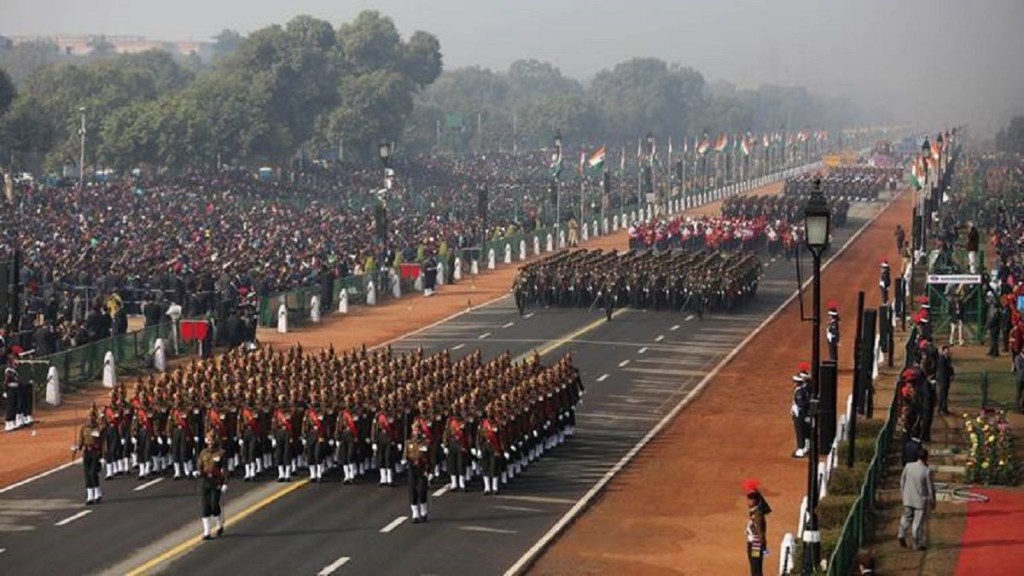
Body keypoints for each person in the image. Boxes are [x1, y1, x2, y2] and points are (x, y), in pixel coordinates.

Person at [898, 447, 935, 551]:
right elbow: (930, 488)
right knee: (917, 523)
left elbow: (902, 481)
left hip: (907, 498)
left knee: (906, 517)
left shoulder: (908, 466)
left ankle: (901, 533)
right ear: (926, 458)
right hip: (920, 500)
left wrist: (903, 494)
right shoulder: (926, 471)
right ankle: (916, 543)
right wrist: (932, 500)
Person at [198, 430, 227, 540]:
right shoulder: (203, 453)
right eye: (208, 440)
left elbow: (224, 469)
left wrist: (224, 483)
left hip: (216, 481)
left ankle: (219, 525)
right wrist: (198, 472)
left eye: (212, 440)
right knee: (205, 506)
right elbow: (200, 464)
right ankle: (207, 531)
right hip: (205, 481)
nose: (210, 442)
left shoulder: (221, 453)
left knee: (214, 504)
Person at [74, 404, 104, 505]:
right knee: (87, 474)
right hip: (87, 452)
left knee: (93, 472)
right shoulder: (84, 428)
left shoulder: (98, 428)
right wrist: (78, 447)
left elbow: (102, 442)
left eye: (92, 416)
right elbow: (81, 440)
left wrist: (103, 456)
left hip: (95, 452)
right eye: (89, 416)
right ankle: (90, 495)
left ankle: (97, 492)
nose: (90, 418)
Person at [743, 478, 770, 576]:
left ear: (755, 500)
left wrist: (763, 547)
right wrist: (755, 490)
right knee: (755, 566)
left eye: (750, 499)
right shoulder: (756, 508)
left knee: (755, 566)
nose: (748, 501)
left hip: (755, 543)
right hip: (755, 543)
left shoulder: (757, 514)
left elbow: (760, 533)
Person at [790, 363, 811, 458]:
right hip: (803, 415)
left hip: (800, 416)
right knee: (805, 432)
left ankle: (801, 449)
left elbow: (800, 405)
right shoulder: (803, 389)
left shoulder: (799, 391)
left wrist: (803, 415)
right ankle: (805, 448)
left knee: (800, 432)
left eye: (795, 382)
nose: (793, 384)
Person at [936, 345, 955, 415]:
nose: (948, 352)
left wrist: (952, 375)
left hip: (946, 379)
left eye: (948, 350)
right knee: (943, 395)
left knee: (944, 395)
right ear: (943, 351)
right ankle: (942, 409)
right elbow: (943, 371)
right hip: (942, 379)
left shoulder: (948, 359)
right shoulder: (941, 360)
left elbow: (950, 368)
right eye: (946, 350)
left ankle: (942, 408)